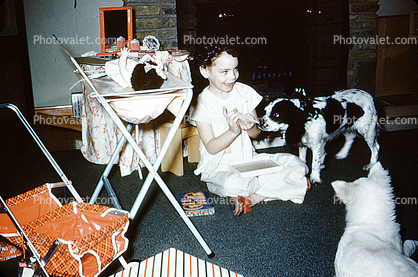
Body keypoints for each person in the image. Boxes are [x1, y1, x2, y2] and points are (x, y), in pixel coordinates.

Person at [191, 42, 310, 216]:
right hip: (219, 167)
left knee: (296, 163)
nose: (232, 77)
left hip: (248, 161)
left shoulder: (244, 93)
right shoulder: (202, 103)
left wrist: (250, 127)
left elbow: (256, 135)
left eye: (235, 69)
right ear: (205, 70)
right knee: (231, 184)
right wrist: (233, 131)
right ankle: (290, 184)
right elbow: (211, 147)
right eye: (224, 72)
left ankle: (253, 198)